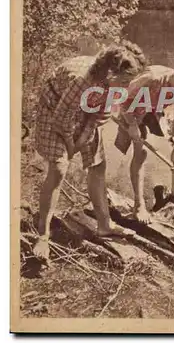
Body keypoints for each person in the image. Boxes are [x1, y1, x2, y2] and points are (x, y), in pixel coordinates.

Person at [33, 40, 147, 261]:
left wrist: (81, 140)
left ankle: (104, 225)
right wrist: (70, 146)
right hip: (54, 108)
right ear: (111, 73)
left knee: (98, 163)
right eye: (124, 81)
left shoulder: (113, 86)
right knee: (59, 168)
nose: (126, 87)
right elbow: (60, 120)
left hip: (84, 110)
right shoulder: (82, 80)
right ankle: (43, 235)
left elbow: (97, 117)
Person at [115, 52, 174, 224]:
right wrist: (133, 125)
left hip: (154, 109)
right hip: (131, 108)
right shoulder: (152, 78)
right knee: (141, 151)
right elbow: (123, 99)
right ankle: (139, 205)